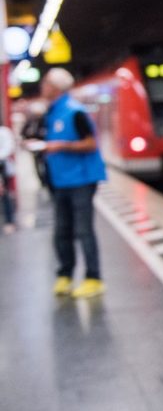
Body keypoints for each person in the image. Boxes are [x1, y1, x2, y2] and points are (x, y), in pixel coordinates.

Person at [40, 68, 109, 298]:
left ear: (57, 87)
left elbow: (91, 143)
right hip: (60, 180)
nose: (42, 86)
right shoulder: (52, 113)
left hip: (81, 179)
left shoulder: (75, 112)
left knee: (83, 230)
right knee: (61, 231)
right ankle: (65, 275)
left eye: (46, 83)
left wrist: (61, 146)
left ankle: (93, 278)